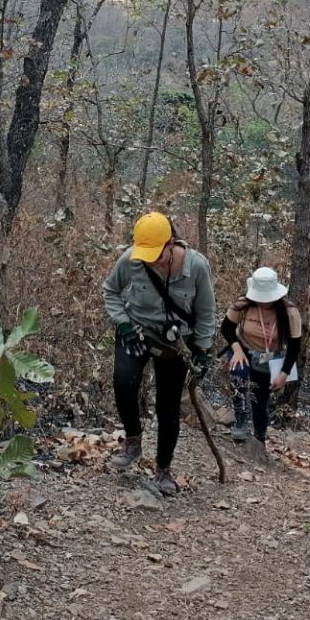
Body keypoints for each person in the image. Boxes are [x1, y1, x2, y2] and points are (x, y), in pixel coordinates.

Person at [101, 212, 217, 495]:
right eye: (147, 255)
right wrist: (123, 324)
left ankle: (163, 469)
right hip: (136, 331)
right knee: (124, 382)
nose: (152, 261)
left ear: (171, 243)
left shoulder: (197, 266)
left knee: (168, 406)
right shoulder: (131, 259)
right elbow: (110, 291)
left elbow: (206, 312)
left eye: (157, 254)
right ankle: (133, 441)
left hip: (176, 343)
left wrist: (202, 350)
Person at [221, 267, 302, 450]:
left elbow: (294, 347)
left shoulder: (289, 312)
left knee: (260, 399)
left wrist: (284, 373)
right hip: (242, 349)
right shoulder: (242, 305)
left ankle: (260, 438)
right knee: (239, 375)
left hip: (269, 357)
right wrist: (237, 349)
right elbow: (226, 328)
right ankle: (240, 418)